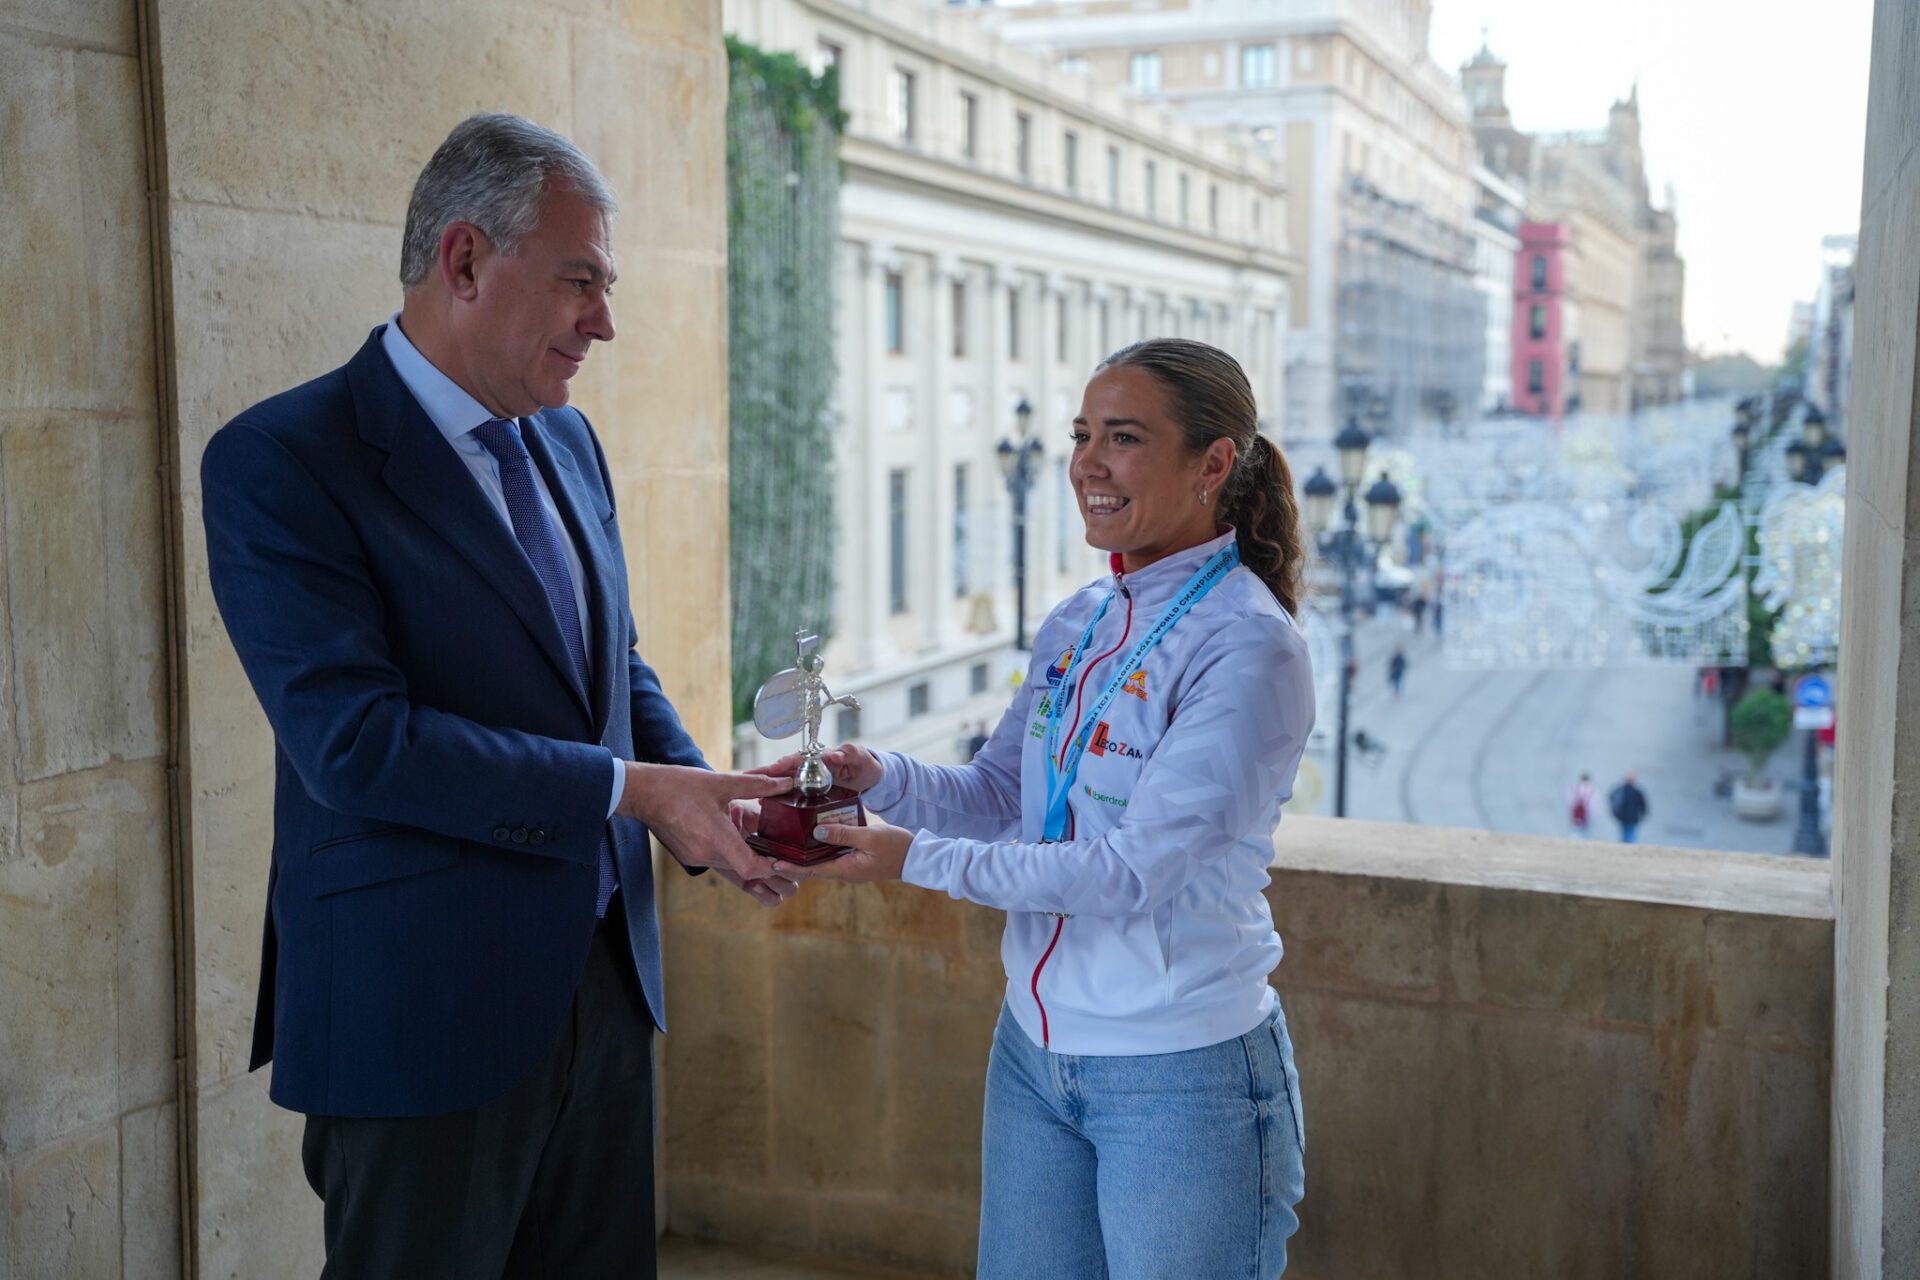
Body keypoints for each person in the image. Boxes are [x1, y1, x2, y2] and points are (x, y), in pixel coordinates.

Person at [199, 114, 793, 1279]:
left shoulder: (569, 442)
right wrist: (636, 789)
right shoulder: (280, 459)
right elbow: (356, 745)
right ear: (466, 260)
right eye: (582, 281)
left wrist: (708, 798)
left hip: (609, 995)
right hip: (418, 1011)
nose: (604, 322)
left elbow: (612, 668)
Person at [753, 339, 1313, 1277]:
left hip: (1181, 1078)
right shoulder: (1082, 620)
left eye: (1125, 438)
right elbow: (1000, 794)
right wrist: (874, 775)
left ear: (1214, 463)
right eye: (1082, 433)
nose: (1088, 462)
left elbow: (1130, 872)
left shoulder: (1250, 646)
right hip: (1034, 1056)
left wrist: (908, 858)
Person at [1609, 771, 1650, 844]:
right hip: (1633, 816)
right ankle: (1629, 844)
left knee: (1625, 832)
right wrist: (1643, 814)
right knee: (1631, 833)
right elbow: (1643, 804)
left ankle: (1625, 844)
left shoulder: (1620, 790)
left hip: (1622, 816)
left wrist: (1615, 812)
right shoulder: (1637, 791)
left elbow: (1611, 797)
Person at [1569, 772, 1596, 838]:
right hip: (1587, 814)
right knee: (1587, 833)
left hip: (1577, 813)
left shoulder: (1575, 788)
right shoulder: (1592, 789)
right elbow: (1594, 805)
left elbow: (1570, 802)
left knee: (1576, 831)